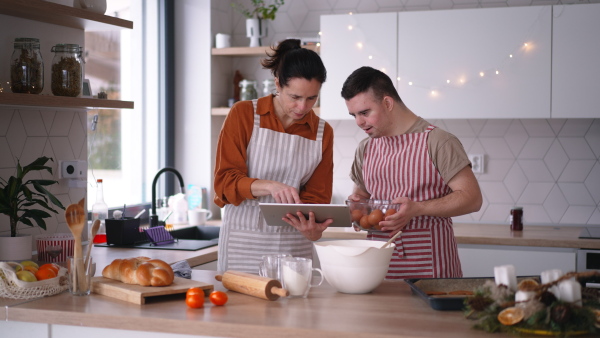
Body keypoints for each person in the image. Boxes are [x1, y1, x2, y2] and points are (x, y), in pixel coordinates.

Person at [342, 66, 482, 279]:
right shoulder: (366, 148)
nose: (359, 122)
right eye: (354, 115)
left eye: (364, 112)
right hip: (379, 272)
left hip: (432, 273)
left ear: (387, 103)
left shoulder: (437, 141)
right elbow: (362, 196)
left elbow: (472, 198)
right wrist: (358, 205)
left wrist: (418, 208)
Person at [213, 39, 334, 274]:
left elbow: (317, 199)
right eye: (294, 97)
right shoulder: (244, 114)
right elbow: (224, 183)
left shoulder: (322, 133)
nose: (302, 107)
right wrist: (269, 186)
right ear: (277, 84)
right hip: (243, 244)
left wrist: (314, 229)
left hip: (294, 248)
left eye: (311, 98)